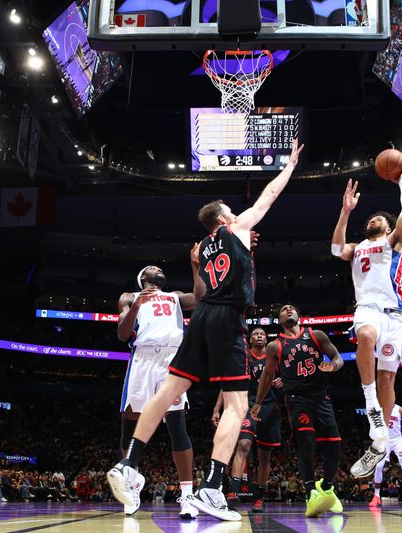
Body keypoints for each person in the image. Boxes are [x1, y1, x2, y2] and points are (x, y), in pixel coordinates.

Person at [108, 140, 305, 521]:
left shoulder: (206, 246)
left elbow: (211, 278)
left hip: (200, 318)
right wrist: (290, 166)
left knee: (169, 389)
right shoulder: (236, 228)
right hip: (227, 316)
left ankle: (129, 463)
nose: (237, 213)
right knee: (237, 405)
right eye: (231, 212)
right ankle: (212, 487)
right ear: (222, 219)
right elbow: (268, 197)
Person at [330, 158, 402, 478]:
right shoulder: (358, 247)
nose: (373, 220)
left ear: (389, 227)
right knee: (364, 336)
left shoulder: (395, 242)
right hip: (367, 309)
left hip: (396, 315)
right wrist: (346, 210)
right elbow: (337, 248)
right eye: (371, 218)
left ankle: (379, 440)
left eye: (378, 217)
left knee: (387, 379)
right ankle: (372, 407)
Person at [115, 246, 205, 518]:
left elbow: (200, 298)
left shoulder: (174, 296)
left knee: (177, 425)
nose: (160, 270)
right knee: (130, 426)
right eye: (155, 268)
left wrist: (195, 264)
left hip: (171, 360)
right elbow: (122, 334)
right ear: (143, 276)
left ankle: (187, 496)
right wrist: (137, 307)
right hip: (142, 359)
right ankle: (130, 487)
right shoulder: (129, 297)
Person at [252, 304, 345, 518]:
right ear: (280, 320)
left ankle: (327, 487)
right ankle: (311, 492)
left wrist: (334, 366)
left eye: (292, 308)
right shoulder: (275, 346)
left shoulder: (317, 335)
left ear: (299, 315)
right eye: (284, 310)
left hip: (321, 397)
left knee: (334, 445)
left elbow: (338, 358)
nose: (288, 310)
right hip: (296, 399)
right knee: (306, 441)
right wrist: (258, 402)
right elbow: (267, 375)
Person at [213, 327, 283, 513]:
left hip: (269, 406)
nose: (260, 336)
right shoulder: (243, 358)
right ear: (250, 340)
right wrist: (217, 408)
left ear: (267, 340)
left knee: (264, 455)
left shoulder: (276, 357)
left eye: (262, 334)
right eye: (256, 334)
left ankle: (259, 497)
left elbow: (290, 376)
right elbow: (228, 382)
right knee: (243, 444)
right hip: (247, 404)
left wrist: (281, 380)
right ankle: (233, 493)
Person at [369, 404, 402, 508]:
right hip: (384, 440)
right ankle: (376, 496)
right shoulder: (379, 409)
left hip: (397, 440)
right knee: (378, 466)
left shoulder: (400, 409)